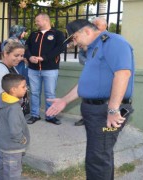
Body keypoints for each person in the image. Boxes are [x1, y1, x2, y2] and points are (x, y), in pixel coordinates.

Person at [46, 19, 135, 180]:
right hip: (95, 111)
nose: (74, 42)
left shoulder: (113, 43)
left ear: (86, 31)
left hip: (105, 110)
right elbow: (87, 82)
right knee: (99, 154)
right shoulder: (94, 47)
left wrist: (113, 109)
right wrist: (64, 100)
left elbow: (123, 74)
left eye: (74, 37)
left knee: (97, 158)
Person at [0, 41, 25, 177]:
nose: (19, 58)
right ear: (5, 54)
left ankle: (2, 170)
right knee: (5, 144)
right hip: (2, 114)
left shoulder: (10, 67)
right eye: (16, 55)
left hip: (7, 113)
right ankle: (0, 172)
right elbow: (1, 97)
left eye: (22, 55)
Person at [25, 13, 66, 125]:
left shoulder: (57, 34)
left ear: (45, 20)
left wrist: (44, 58)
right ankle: (34, 115)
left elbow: (60, 48)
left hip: (50, 69)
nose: (36, 23)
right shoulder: (33, 34)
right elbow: (26, 47)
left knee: (50, 94)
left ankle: (50, 116)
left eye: (37, 20)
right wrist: (29, 57)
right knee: (34, 93)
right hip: (33, 69)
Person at [0, 73, 29, 180]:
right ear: (13, 90)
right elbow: (15, 130)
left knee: (2, 171)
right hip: (13, 148)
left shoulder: (2, 99)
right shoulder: (13, 108)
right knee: (12, 175)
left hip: (4, 145)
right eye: (23, 87)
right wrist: (22, 139)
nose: (26, 89)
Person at [74, 16, 108, 126]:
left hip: (104, 75)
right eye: (92, 24)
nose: (94, 27)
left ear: (105, 26)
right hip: (89, 73)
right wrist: (89, 63)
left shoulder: (110, 39)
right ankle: (85, 118)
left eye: (97, 25)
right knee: (86, 95)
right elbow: (81, 55)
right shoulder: (86, 38)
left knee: (102, 98)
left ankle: (102, 120)